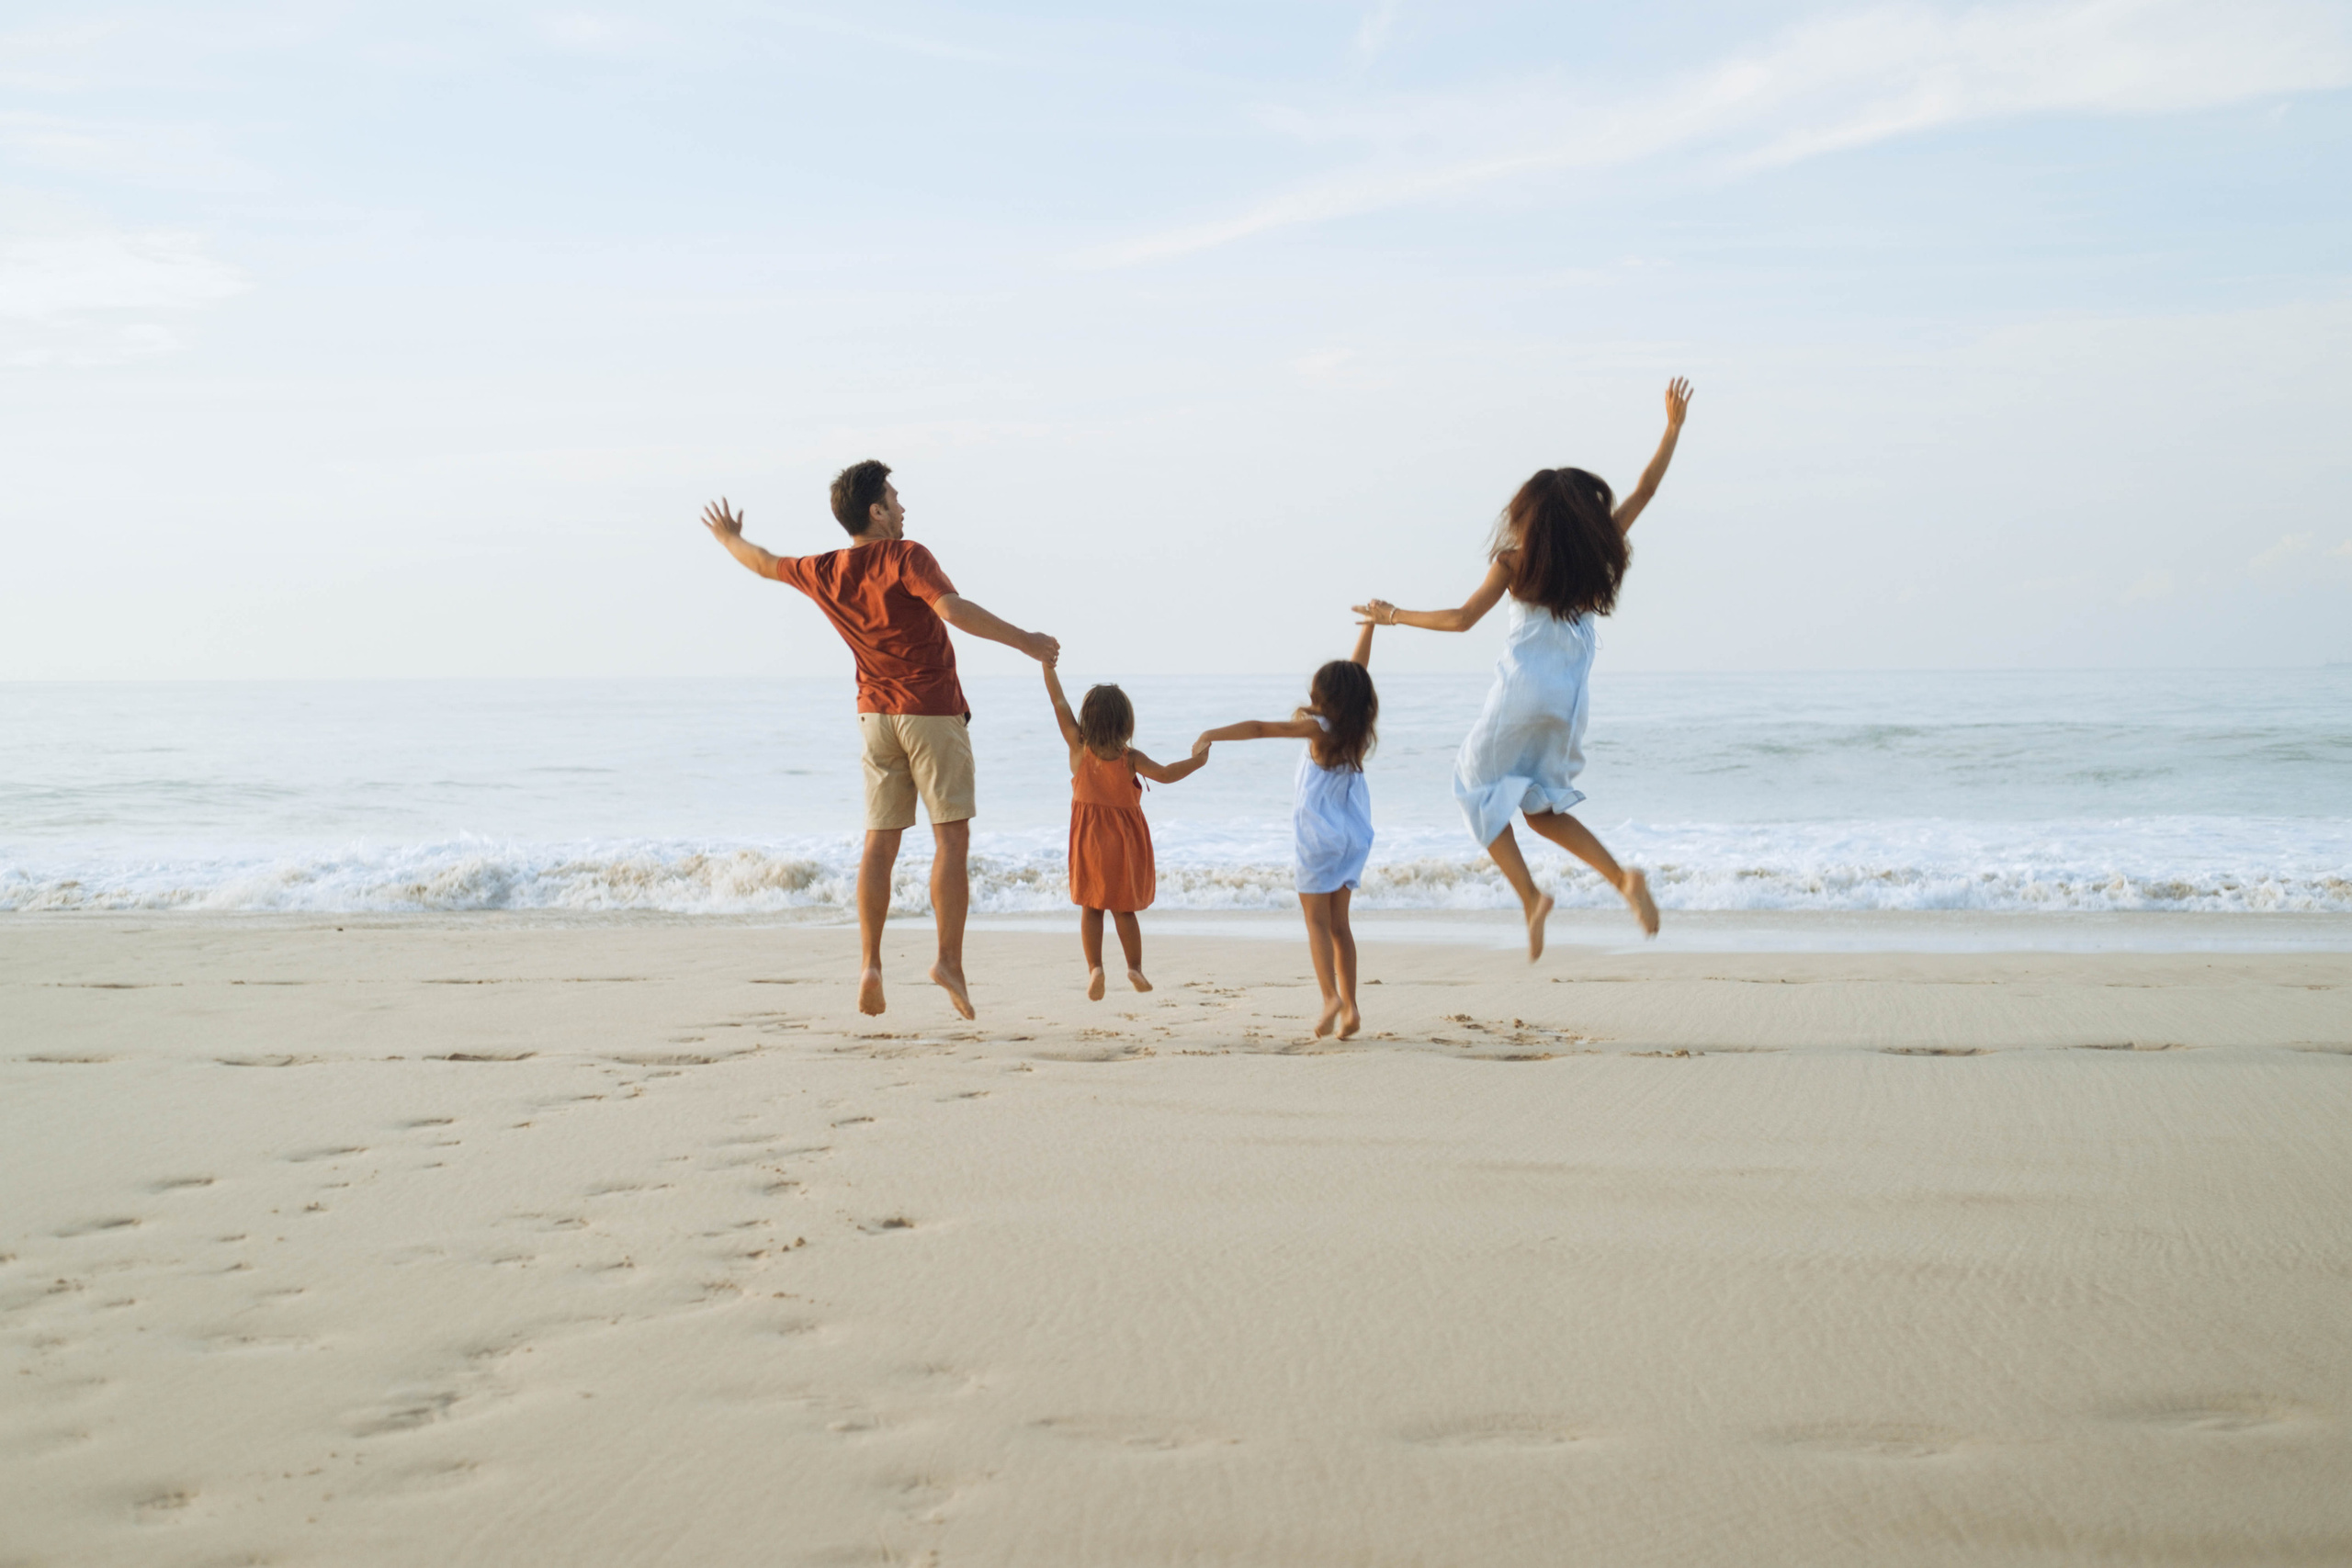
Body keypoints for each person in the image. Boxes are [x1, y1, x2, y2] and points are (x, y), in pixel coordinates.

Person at [700, 460, 1058, 1019]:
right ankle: (947, 961)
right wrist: (1026, 642)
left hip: (875, 718)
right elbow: (952, 609)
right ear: (877, 510)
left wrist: (728, 538)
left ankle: (870, 962)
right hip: (931, 711)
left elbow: (765, 564)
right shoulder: (905, 555)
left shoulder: (823, 569)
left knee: (880, 843)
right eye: (895, 497)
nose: (902, 507)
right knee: (951, 840)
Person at [1356, 377, 1692, 961]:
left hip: (1520, 696)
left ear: (1529, 516)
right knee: (1542, 808)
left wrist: (1393, 615)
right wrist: (1671, 429)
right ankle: (1622, 881)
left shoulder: (1515, 561)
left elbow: (1462, 619)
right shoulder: (1598, 552)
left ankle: (1532, 897)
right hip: (1568, 705)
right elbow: (1646, 488)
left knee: (1471, 785)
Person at [1194, 620, 1378, 1039]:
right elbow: (1359, 672)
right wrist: (1369, 628)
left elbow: (1262, 728)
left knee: (1315, 922)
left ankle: (1329, 996)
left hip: (1318, 838)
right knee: (1340, 926)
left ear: (1322, 698)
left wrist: (1213, 734)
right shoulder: (1358, 730)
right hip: (1354, 837)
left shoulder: (1318, 729)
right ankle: (1351, 1009)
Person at [1039, 666, 1210, 999]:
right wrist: (1198, 762)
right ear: (1127, 724)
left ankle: (1096, 968)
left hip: (1088, 841)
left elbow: (1058, 702)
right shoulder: (1131, 758)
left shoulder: (1078, 749)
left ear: (1086, 721)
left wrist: (1047, 666)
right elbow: (1166, 774)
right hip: (1124, 843)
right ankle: (1134, 967)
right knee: (1123, 908)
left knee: (1091, 907)